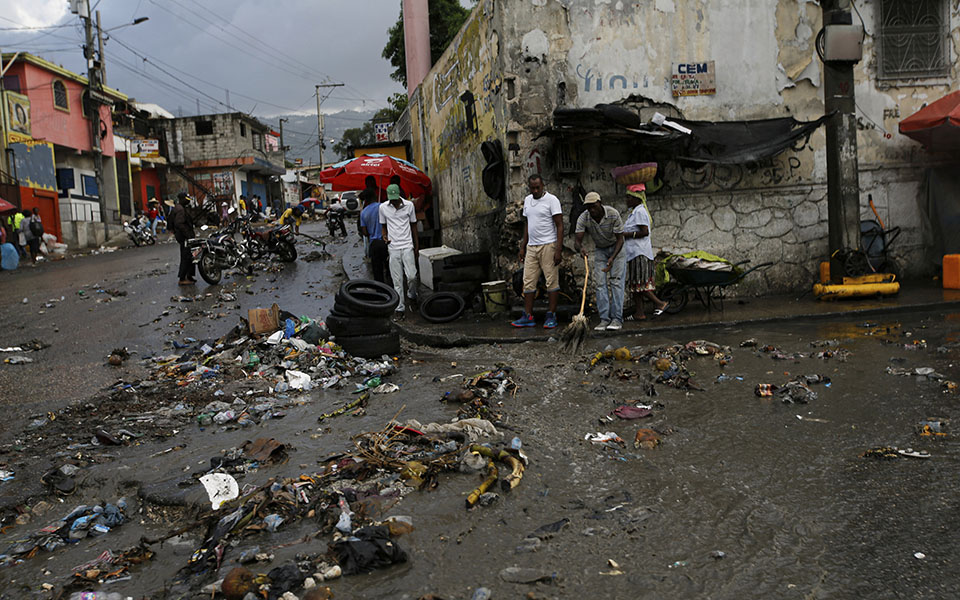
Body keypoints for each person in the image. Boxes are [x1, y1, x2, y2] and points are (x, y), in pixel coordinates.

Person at [512, 174, 563, 329]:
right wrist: (523, 246)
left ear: (543, 186)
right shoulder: (528, 200)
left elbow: (560, 225)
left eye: (537, 187)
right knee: (528, 281)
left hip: (548, 245)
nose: (535, 190)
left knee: (551, 281)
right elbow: (528, 224)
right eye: (532, 188)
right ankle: (528, 315)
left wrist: (558, 249)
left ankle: (551, 315)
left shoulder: (552, 200)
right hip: (532, 247)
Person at [574, 191, 625, 330]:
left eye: (594, 206)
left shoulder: (613, 214)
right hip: (601, 250)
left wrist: (613, 258)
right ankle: (604, 319)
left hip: (617, 249)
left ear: (600, 203)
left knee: (616, 282)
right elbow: (577, 241)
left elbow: (620, 239)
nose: (592, 210)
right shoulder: (584, 217)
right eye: (589, 207)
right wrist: (581, 249)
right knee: (600, 284)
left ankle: (617, 319)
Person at [622, 184, 668, 320]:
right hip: (634, 253)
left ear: (637, 198)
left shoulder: (640, 212)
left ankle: (660, 303)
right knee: (636, 286)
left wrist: (626, 234)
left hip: (639, 254)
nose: (627, 200)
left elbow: (644, 232)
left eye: (629, 197)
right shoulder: (634, 212)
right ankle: (639, 313)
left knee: (640, 285)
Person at [379, 183, 418, 316]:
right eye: (391, 199)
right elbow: (384, 226)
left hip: (407, 245)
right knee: (397, 280)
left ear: (399, 195)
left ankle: (412, 295)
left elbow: (414, 226)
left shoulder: (409, 206)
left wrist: (416, 247)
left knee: (412, 276)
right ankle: (400, 308)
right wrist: (384, 236)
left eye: (395, 198)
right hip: (393, 247)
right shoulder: (383, 208)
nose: (394, 201)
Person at [360, 188, 388, 282]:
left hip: (374, 244)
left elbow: (364, 232)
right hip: (386, 241)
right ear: (375, 196)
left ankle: (380, 292)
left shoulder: (363, 212)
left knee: (377, 271)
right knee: (389, 268)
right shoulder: (383, 207)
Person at [170, 192, 197, 286]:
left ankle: (189, 276)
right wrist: (188, 234)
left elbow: (171, 224)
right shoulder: (180, 210)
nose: (188, 202)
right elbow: (179, 223)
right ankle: (182, 278)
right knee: (186, 256)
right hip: (184, 237)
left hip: (182, 236)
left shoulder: (177, 208)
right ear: (182, 199)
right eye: (187, 200)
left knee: (190, 256)